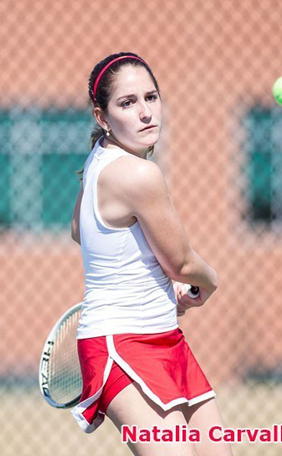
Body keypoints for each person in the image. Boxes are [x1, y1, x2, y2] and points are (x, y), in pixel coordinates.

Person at [69, 52, 232, 456]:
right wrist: (209, 282)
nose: (145, 113)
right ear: (102, 116)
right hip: (120, 343)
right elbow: (182, 263)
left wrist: (153, 285)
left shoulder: (99, 159)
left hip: (165, 338)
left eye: (151, 97)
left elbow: (79, 230)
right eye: (127, 103)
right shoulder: (139, 174)